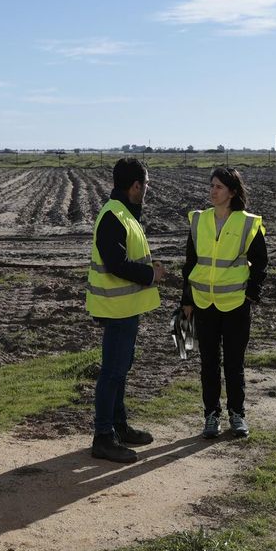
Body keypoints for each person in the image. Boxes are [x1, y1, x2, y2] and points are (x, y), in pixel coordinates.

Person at [85, 157, 166, 463]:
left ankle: (118, 427)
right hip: (116, 308)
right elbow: (115, 263)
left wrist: (149, 269)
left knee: (120, 370)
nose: (147, 189)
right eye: (146, 184)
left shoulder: (123, 214)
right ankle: (103, 436)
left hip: (126, 307)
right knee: (112, 372)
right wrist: (150, 275)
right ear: (135, 186)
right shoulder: (113, 216)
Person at [182, 167, 268, 439]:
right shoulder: (198, 220)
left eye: (218, 186)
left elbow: (261, 261)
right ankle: (211, 416)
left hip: (235, 304)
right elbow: (190, 264)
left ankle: (237, 415)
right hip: (204, 302)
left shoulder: (247, 222)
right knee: (208, 362)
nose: (212, 191)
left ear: (232, 191)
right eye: (211, 186)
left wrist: (252, 293)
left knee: (234, 362)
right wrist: (187, 300)